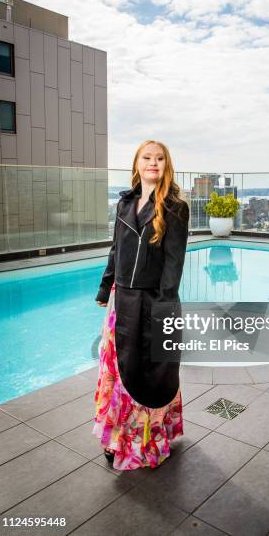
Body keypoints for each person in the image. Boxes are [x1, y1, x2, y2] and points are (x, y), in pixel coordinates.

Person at [92, 140, 190, 470]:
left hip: (152, 302)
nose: (153, 163)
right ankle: (117, 437)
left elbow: (174, 263)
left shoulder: (175, 207)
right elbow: (116, 250)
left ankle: (146, 439)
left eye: (160, 158)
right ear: (137, 164)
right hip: (123, 302)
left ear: (166, 165)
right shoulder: (125, 203)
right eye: (147, 158)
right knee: (119, 374)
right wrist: (106, 288)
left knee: (148, 373)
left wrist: (163, 307)